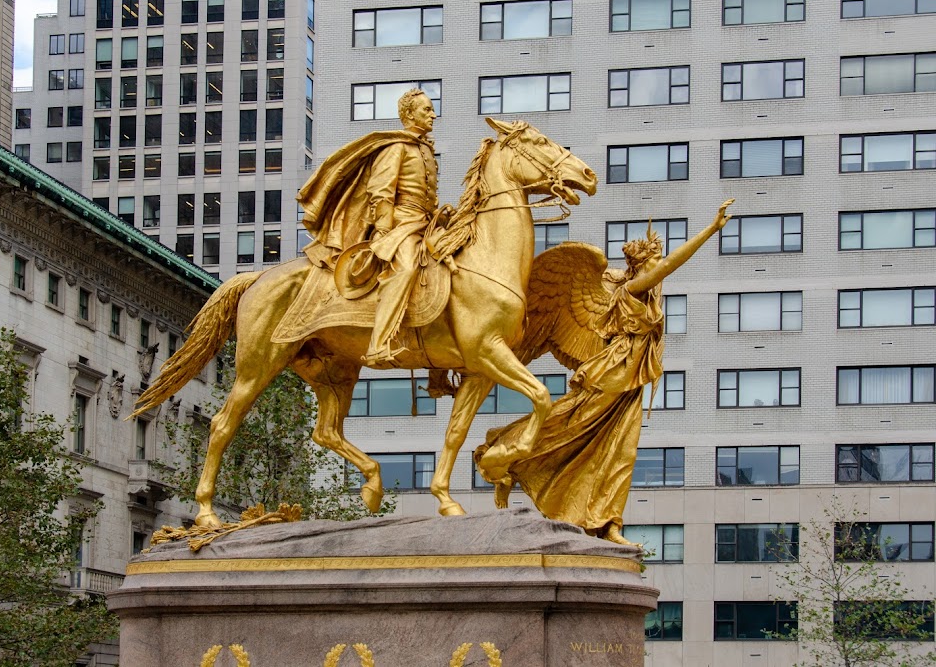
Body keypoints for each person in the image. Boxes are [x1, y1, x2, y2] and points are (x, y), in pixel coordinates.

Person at [475, 200, 734, 544]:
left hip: (629, 388)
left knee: (619, 455)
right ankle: (504, 459)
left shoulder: (642, 295)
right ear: (642, 268)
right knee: (563, 428)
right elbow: (670, 266)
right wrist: (710, 230)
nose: (658, 273)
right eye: (653, 265)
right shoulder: (631, 291)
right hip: (611, 376)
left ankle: (608, 523)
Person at [296, 88, 439, 366]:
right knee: (405, 269)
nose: (433, 114)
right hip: (401, 224)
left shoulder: (424, 148)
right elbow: (381, 192)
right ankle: (379, 343)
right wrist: (386, 232)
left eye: (432, 109)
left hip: (426, 223)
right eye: (427, 110)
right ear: (409, 114)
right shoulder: (396, 147)